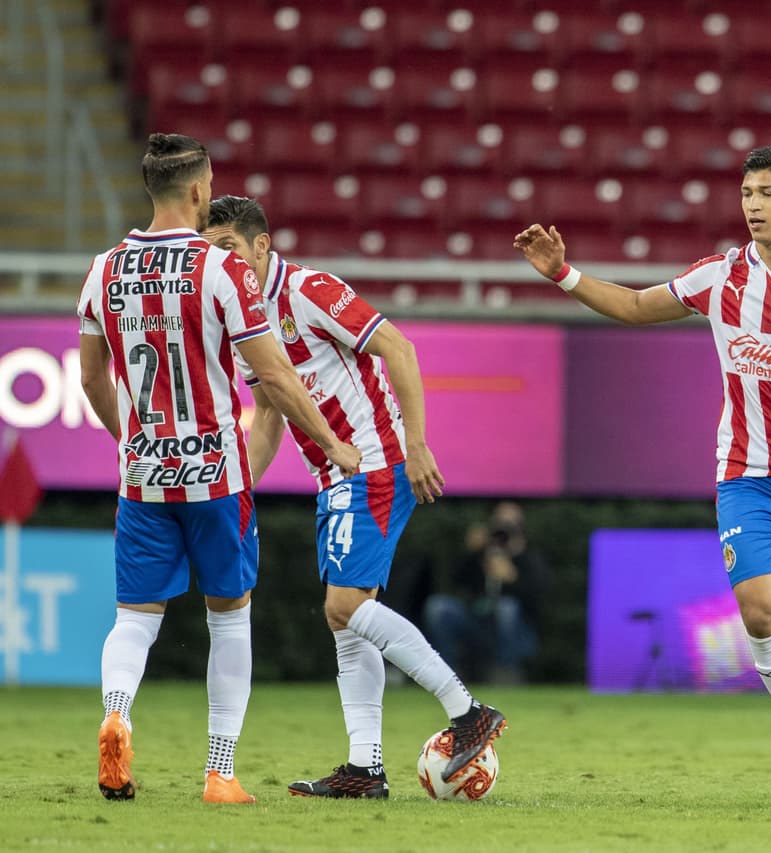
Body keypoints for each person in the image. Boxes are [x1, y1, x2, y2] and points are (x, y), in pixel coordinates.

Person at [514, 146, 771, 810]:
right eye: (746, 192)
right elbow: (638, 307)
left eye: (766, 193)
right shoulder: (719, 276)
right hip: (746, 475)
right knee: (758, 610)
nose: (752, 205)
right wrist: (564, 275)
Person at [77, 134, 362, 804]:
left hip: (144, 476)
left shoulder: (104, 269)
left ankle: (117, 711)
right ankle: (219, 771)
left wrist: (132, 439)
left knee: (135, 617)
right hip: (216, 475)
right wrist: (332, 440)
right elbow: (276, 377)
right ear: (201, 191)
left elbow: (91, 378)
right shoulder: (223, 271)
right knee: (229, 617)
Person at [202, 195, 507, 799]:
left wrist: (416, 444)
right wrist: (235, 488)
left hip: (372, 464)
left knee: (343, 607)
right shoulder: (241, 323)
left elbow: (399, 347)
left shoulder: (310, 290)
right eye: (209, 252)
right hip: (333, 480)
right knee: (348, 623)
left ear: (261, 246)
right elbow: (266, 417)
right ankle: (365, 768)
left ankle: (467, 711)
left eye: (228, 249)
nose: (219, 262)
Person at [425, 501, 547, 683]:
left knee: (508, 606)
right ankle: (446, 676)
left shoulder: (529, 556)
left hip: (516, 631)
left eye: (511, 526)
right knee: (438, 606)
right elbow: (455, 582)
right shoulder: (480, 554)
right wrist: (471, 552)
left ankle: (506, 672)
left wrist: (513, 577)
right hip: (478, 621)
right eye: (500, 525)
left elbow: (539, 595)